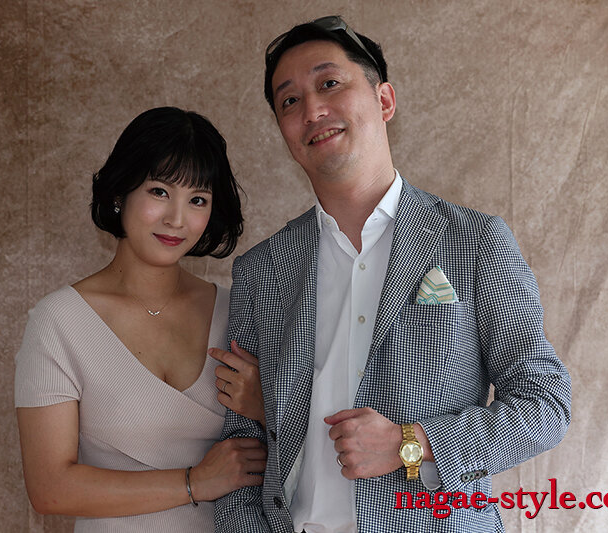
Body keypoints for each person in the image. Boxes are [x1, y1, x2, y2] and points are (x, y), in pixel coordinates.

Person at [213, 16, 571, 533]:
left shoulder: (474, 242)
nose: (312, 110)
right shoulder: (260, 271)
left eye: (329, 83)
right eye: (289, 101)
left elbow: (545, 404)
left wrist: (413, 443)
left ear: (384, 100)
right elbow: (241, 451)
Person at [15, 106, 266, 532]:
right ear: (120, 192)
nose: (176, 219)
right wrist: (195, 482)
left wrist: (265, 407)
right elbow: (49, 488)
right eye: (159, 191)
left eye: (197, 200)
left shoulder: (239, 312)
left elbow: (298, 453)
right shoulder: (59, 321)